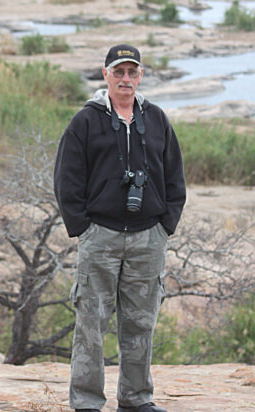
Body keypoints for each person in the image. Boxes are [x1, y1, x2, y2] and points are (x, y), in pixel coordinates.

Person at [54, 44, 186, 412]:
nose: (125, 78)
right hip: (101, 236)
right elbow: (66, 179)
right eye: (118, 72)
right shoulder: (86, 121)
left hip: (149, 238)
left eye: (132, 72)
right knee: (91, 324)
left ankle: (136, 399)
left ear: (140, 75)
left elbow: (175, 176)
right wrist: (84, 229)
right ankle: (86, 402)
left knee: (141, 323)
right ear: (105, 74)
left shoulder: (157, 119)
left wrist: (165, 227)